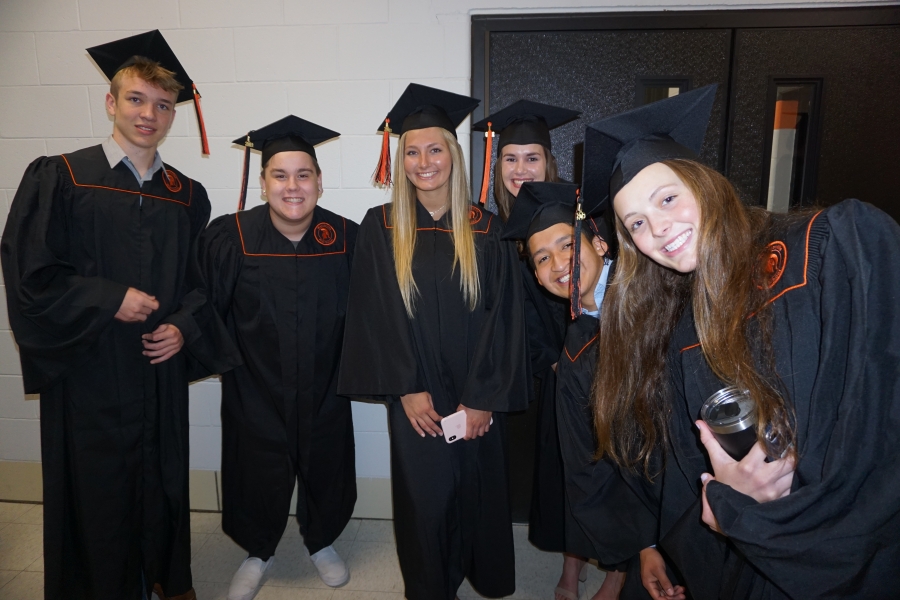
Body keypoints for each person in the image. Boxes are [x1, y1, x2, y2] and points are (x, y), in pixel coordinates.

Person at [586, 85, 900, 598]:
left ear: (705, 183)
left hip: (850, 559)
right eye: (636, 224)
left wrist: (757, 515)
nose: (659, 229)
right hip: (750, 564)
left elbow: (880, 417)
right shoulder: (676, 326)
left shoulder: (826, 248)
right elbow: (691, 478)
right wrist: (729, 506)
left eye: (667, 198)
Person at [0, 30, 239, 600]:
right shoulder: (60, 177)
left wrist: (183, 324)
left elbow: (201, 282)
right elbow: (30, 272)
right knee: (97, 481)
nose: (148, 114)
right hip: (90, 364)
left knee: (159, 475)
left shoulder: (187, 194)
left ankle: (162, 574)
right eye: (135, 99)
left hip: (157, 366)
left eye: (162, 105)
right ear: (111, 102)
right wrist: (110, 298)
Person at [337, 83, 530, 600]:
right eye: (412, 151)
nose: (425, 162)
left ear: (454, 154)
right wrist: (405, 389)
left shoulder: (485, 229)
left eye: (435, 148)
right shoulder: (380, 227)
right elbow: (375, 315)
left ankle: (480, 575)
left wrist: (484, 397)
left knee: (477, 489)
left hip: (475, 391)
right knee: (426, 500)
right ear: (400, 161)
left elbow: (502, 318)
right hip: (415, 393)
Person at [199, 116, 357, 600]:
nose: (293, 186)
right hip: (254, 384)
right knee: (255, 463)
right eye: (280, 175)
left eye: (303, 174)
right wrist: (228, 366)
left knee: (325, 459)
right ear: (263, 181)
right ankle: (258, 550)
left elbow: (369, 316)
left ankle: (320, 540)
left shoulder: (347, 238)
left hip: (325, 382)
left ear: (319, 181)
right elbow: (205, 305)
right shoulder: (230, 236)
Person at [503, 182, 672, 600]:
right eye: (542, 258)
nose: (559, 263)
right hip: (655, 511)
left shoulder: (655, 297)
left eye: (567, 246)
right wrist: (643, 544)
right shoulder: (578, 344)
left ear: (599, 243)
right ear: (538, 278)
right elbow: (586, 466)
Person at [472, 100, 600, 600]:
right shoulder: (485, 226)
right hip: (526, 374)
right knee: (553, 472)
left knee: (594, 465)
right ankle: (570, 562)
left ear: (549, 162)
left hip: (579, 365)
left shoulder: (576, 216)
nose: (521, 170)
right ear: (496, 164)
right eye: (510, 159)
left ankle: (599, 568)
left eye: (532, 158)